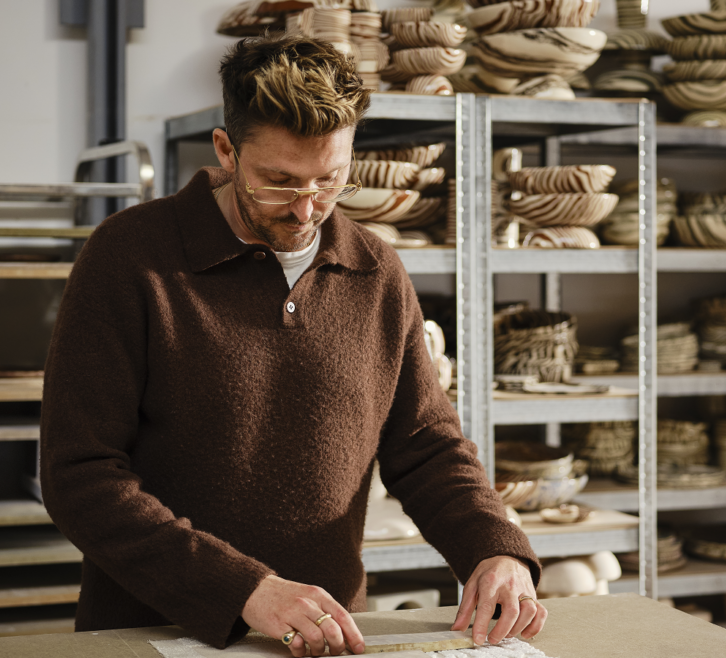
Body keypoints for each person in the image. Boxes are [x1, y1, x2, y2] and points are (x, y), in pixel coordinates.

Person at [40, 34, 546, 658]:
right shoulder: (130, 258)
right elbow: (79, 476)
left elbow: (426, 447)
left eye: (329, 180)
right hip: (153, 634)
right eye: (277, 183)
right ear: (226, 150)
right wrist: (245, 590)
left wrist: (493, 545)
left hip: (322, 642)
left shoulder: (375, 272)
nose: (307, 210)